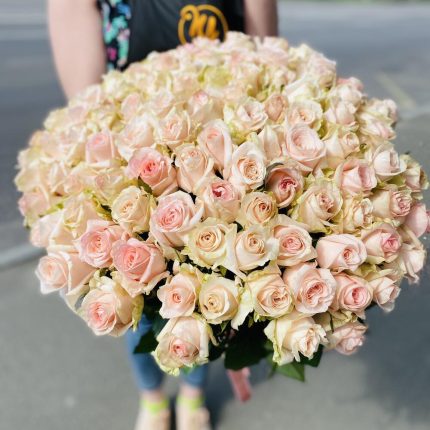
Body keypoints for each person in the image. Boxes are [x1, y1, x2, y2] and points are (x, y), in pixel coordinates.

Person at [47, 1, 278, 429]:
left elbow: (264, 50)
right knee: (135, 297)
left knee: (208, 298)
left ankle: (192, 394)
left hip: (224, 152)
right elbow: (84, 93)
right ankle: (152, 398)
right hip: (132, 156)